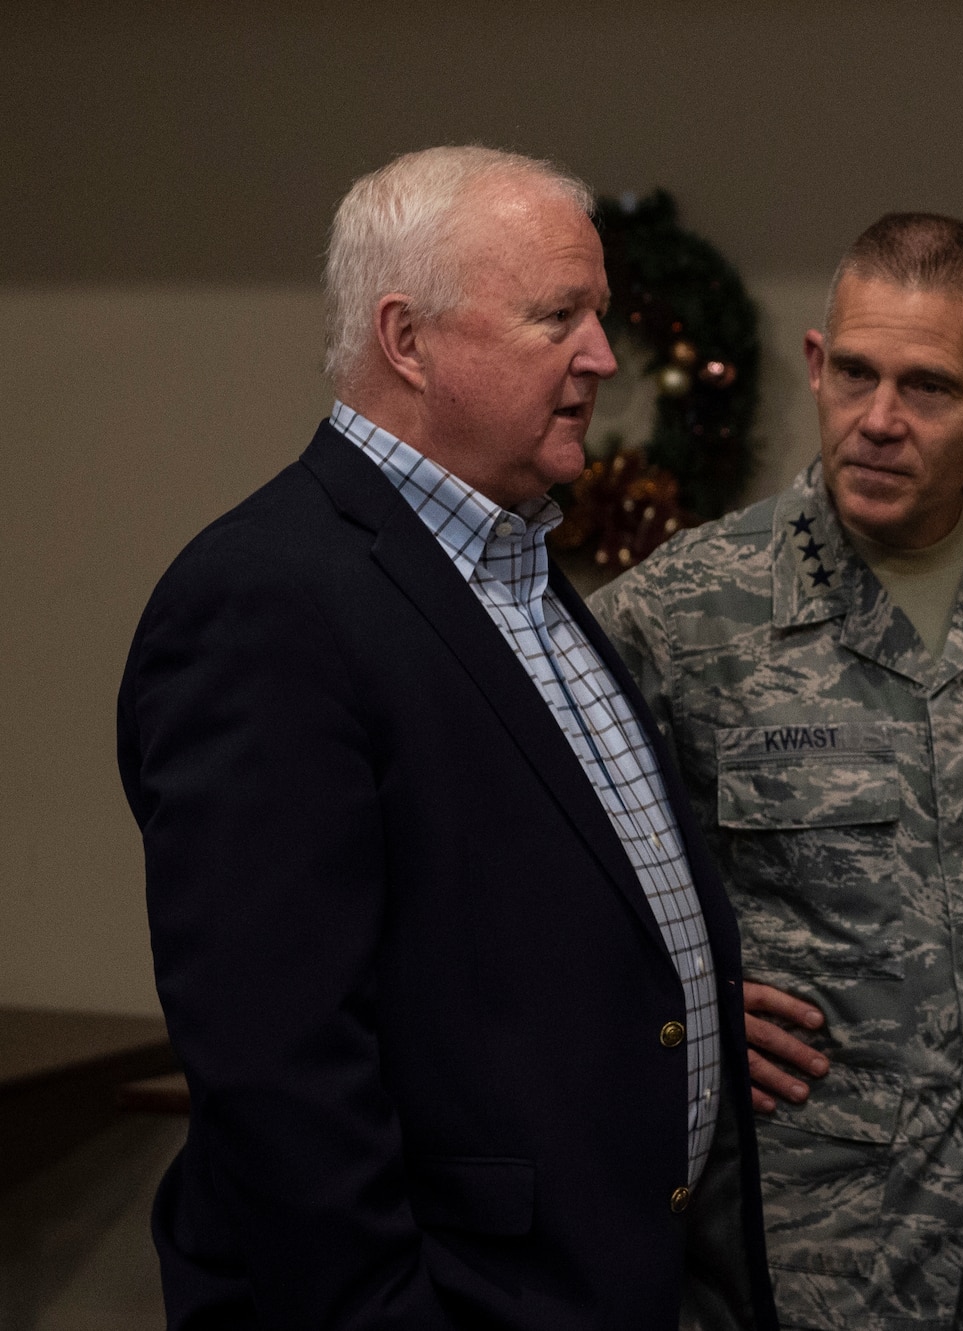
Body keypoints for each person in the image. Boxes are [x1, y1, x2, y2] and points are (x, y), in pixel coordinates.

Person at [117, 146, 776, 1330]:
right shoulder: (266, 600)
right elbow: (279, 1064)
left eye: (600, 314)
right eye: (556, 316)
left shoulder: (519, 568)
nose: (601, 357)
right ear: (406, 339)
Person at [591, 213, 963, 1331]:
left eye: (928, 387)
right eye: (853, 373)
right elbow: (557, 879)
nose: (878, 421)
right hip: (809, 1246)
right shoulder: (685, 612)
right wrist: (674, 1000)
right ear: (815, 362)